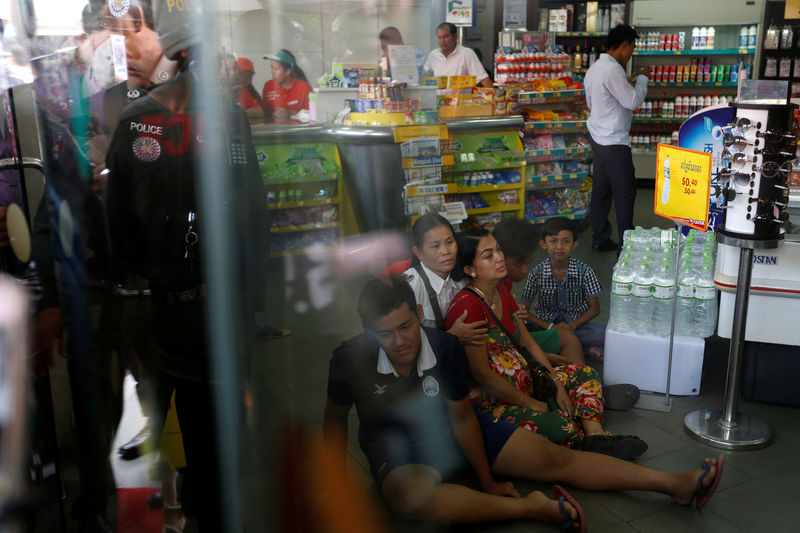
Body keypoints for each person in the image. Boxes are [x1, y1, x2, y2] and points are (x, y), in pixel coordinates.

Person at [324, 276, 725, 530]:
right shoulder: (349, 358)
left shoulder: (443, 346)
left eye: (406, 326)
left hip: (454, 425)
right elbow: (335, 419)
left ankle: (675, 484)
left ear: (417, 315)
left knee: (554, 458)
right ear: (366, 330)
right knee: (410, 499)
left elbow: (462, 417)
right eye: (385, 333)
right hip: (397, 444)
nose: (400, 341)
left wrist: (488, 480)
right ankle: (533, 509)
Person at [445, 225, 644, 459]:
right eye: (488, 255)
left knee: (585, 374)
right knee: (564, 429)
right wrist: (528, 402)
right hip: (497, 402)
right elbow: (482, 376)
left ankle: (595, 436)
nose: (499, 257)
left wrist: (556, 384)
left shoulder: (501, 294)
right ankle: (583, 420)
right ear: (470, 269)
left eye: (498, 250)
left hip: (529, 382)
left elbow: (528, 344)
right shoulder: (469, 307)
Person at [584, 24, 649, 252]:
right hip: (614, 142)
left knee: (601, 190)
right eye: (632, 48)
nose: (631, 53)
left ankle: (600, 238)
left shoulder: (595, 68)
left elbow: (592, 103)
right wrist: (642, 80)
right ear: (624, 45)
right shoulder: (612, 70)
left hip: (598, 138)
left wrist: (627, 81)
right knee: (625, 192)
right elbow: (632, 101)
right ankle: (627, 247)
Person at [492, 217, 584, 365]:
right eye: (518, 264)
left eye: (528, 263)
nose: (525, 270)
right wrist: (545, 358)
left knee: (569, 338)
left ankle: (579, 381)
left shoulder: (505, 281)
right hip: (505, 349)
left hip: (516, 337)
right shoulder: (488, 288)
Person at [520, 217, 607, 362]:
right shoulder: (536, 273)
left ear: (575, 244)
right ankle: (585, 349)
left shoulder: (585, 271)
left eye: (566, 241)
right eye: (553, 241)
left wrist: (572, 325)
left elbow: (595, 309)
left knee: (604, 333)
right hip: (545, 327)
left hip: (576, 326)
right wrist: (549, 326)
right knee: (524, 331)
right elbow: (523, 311)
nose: (559, 246)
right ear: (543, 244)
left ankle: (569, 346)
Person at [423, 22, 491, 87]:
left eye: (446, 37)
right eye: (439, 37)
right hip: (436, 98)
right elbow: (424, 77)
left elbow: (483, 78)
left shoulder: (467, 54)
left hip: (460, 98)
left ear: (455, 37)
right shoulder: (433, 55)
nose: (442, 41)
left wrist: (494, 95)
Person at [261, 49, 312, 122]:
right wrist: (274, 114)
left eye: (276, 69)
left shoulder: (304, 87)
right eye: (272, 68)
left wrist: (290, 112)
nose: (272, 72)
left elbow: (311, 114)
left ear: (288, 71)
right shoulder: (268, 85)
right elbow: (263, 112)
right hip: (274, 131)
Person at [233, 57, 266, 123]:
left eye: (250, 75)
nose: (248, 79)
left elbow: (259, 112)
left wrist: (238, 114)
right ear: (236, 74)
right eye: (244, 75)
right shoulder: (224, 91)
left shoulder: (244, 90)